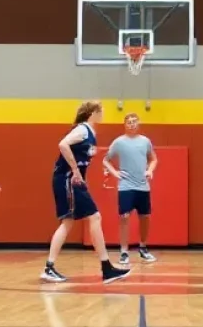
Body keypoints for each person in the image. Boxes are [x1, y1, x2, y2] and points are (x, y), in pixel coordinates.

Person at [41, 101, 130, 285]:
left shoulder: (90, 132)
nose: (103, 114)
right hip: (66, 178)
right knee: (92, 217)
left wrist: (80, 174)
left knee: (69, 221)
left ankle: (52, 267)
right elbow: (63, 144)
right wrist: (74, 170)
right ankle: (105, 268)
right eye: (101, 111)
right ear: (93, 113)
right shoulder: (82, 130)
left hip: (73, 180)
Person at [103, 113, 158, 264]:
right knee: (124, 217)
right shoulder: (119, 142)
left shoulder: (145, 141)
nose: (132, 124)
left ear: (138, 124)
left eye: (134, 122)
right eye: (129, 122)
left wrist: (150, 170)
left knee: (145, 217)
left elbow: (153, 159)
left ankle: (143, 247)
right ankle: (124, 251)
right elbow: (105, 160)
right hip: (125, 186)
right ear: (124, 124)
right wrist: (114, 172)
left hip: (143, 186)